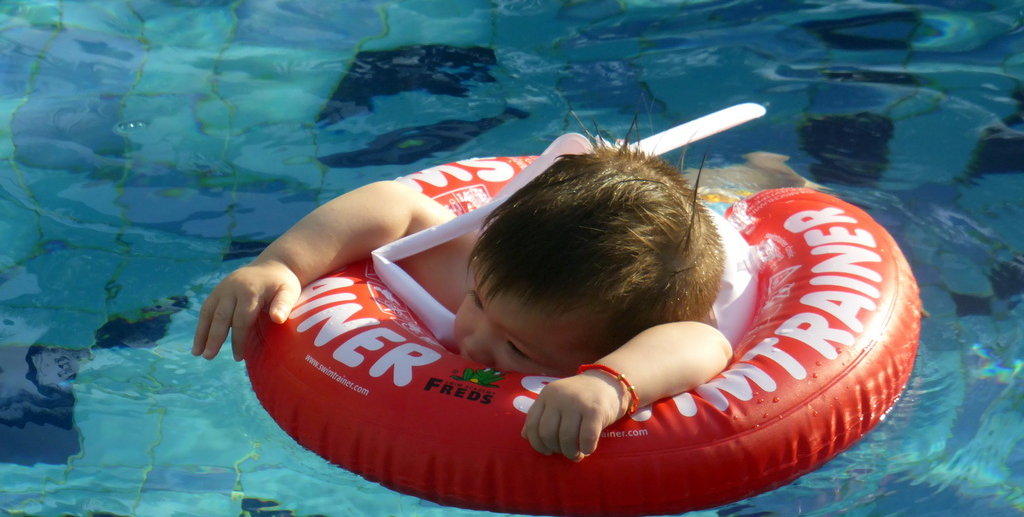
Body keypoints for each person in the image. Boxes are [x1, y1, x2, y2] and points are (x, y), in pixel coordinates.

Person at [193, 142, 738, 462]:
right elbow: (395, 205)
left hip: (724, 238)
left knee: (731, 187)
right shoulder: (500, 282)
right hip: (585, 235)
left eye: (518, 349)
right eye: (478, 303)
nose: (474, 340)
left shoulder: (619, 322)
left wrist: (610, 381)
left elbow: (703, 340)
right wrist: (279, 264)